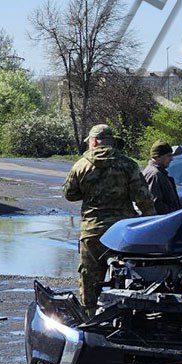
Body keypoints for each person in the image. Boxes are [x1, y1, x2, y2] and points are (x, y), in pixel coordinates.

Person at [63, 124, 156, 311]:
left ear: (94, 141)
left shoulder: (81, 165)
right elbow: (144, 199)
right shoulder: (128, 165)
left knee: (89, 276)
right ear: (111, 141)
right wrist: (152, 227)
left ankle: (89, 316)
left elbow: (69, 194)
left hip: (92, 231)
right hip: (123, 232)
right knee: (129, 273)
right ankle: (126, 312)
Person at [142, 141, 182, 214]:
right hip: (163, 221)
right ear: (158, 156)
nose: (172, 159)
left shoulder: (159, 173)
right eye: (169, 155)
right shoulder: (154, 174)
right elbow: (156, 204)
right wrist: (172, 214)